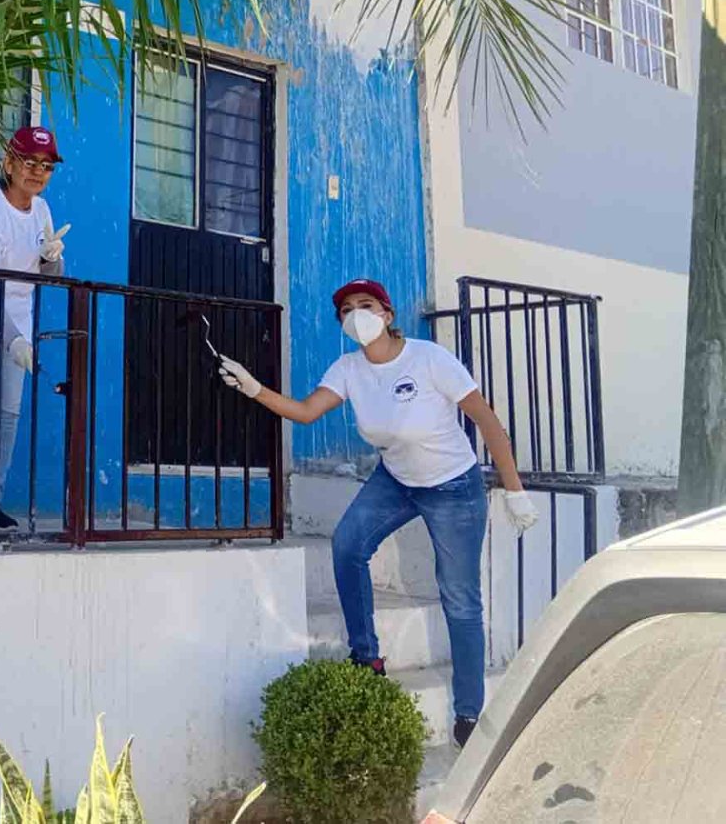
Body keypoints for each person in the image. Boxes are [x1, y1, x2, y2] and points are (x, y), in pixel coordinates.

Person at [216, 277, 538, 749]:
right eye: (346, 310)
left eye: (365, 305)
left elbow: (486, 419)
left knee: (460, 601)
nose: (355, 315)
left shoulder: (429, 359)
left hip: (453, 488)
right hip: (396, 480)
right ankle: (366, 656)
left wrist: (514, 490)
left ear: (387, 315)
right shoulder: (349, 368)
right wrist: (254, 388)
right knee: (348, 545)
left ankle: (469, 711)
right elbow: (306, 412)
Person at [0, 125, 69, 532]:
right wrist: (15, 339)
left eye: (46, 166)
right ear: (9, 164)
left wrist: (51, 257)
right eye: (29, 162)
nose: (37, 172)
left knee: (8, 413)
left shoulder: (41, 212)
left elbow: (51, 276)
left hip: (16, 324)